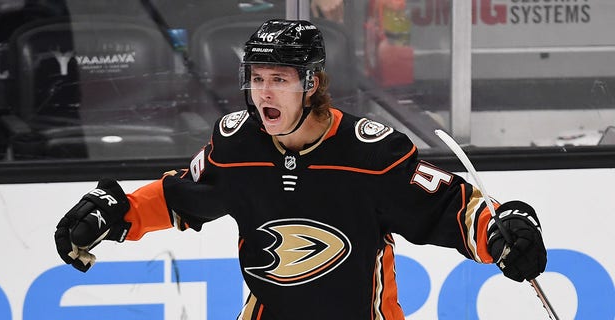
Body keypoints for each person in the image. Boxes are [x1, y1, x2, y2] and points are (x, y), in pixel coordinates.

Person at [55, 19, 547, 319]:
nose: (263, 93)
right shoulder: (236, 143)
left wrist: (507, 231)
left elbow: (450, 209)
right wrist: (115, 213)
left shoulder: (370, 155)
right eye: (256, 79)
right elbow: (184, 195)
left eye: (280, 80)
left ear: (311, 83)